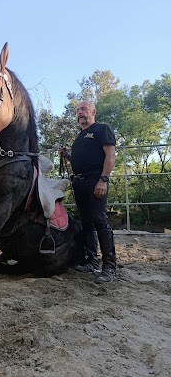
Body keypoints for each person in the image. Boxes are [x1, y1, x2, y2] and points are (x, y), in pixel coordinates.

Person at [59, 100, 116, 283]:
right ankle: (92, 261)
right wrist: (66, 156)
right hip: (79, 181)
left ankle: (109, 267)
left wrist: (104, 179)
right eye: (77, 110)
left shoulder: (102, 129)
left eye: (83, 109)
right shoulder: (80, 136)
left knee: (99, 221)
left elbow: (110, 154)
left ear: (93, 111)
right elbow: (78, 160)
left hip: (95, 179)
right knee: (86, 222)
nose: (79, 112)